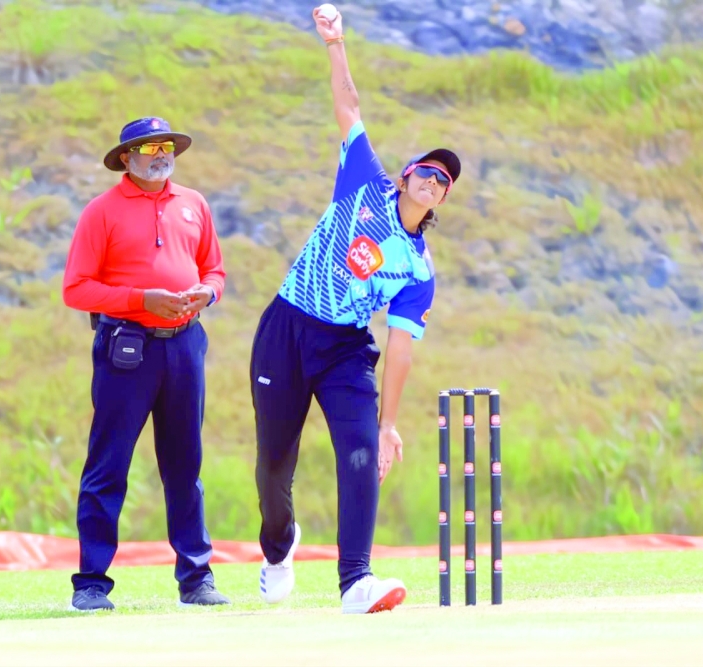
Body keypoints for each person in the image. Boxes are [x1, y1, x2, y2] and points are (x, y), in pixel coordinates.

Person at [250, 6, 462, 615]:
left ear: (443, 199)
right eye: (427, 170)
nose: (434, 181)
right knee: (273, 464)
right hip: (287, 328)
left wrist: (389, 424)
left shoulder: (418, 271)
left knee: (360, 451)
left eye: (444, 182)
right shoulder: (364, 181)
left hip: (345, 348)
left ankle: (355, 581)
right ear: (405, 176)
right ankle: (278, 545)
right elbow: (349, 108)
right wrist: (336, 44)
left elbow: (400, 349)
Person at [62, 117, 230, 611]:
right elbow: (76, 288)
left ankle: (196, 579)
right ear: (127, 158)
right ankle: (91, 583)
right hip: (126, 348)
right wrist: (141, 299)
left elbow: (214, 269)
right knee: (108, 464)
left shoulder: (193, 204)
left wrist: (208, 293)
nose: (160, 154)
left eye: (166, 146)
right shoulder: (101, 211)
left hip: (185, 344)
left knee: (185, 465)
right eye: (148, 147)